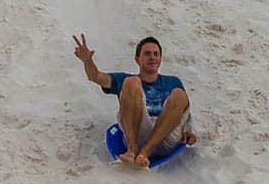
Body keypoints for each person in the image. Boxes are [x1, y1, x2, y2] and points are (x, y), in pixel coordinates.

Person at [74, 33, 197, 167]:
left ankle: (146, 151)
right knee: (131, 82)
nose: (152, 57)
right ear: (137, 59)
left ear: (160, 60)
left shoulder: (173, 81)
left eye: (156, 54)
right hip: (138, 132)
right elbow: (95, 76)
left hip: (165, 135)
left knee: (179, 95)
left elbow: (184, 112)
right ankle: (132, 150)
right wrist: (87, 61)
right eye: (147, 54)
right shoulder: (125, 79)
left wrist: (189, 130)